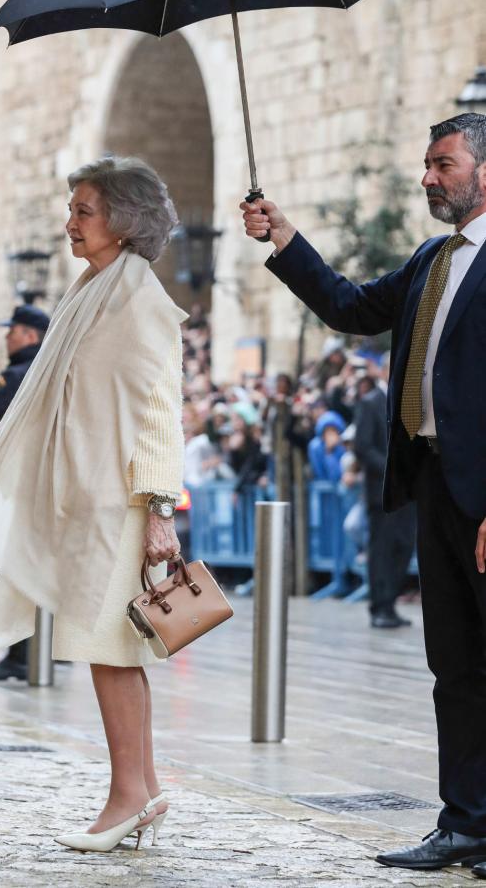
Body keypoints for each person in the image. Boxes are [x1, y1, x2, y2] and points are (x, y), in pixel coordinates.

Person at [241, 112, 486, 873]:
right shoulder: (429, 260)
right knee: (456, 666)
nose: (428, 178)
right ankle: (467, 823)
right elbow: (349, 307)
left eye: (443, 164)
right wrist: (284, 236)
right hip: (436, 486)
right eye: (426, 164)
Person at [0, 156, 185, 853]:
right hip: (93, 497)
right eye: (74, 209)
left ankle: (126, 797)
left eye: (84, 210)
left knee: (108, 650)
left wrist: (160, 509)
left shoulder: (139, 298)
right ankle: (141, 788)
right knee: (116, 651)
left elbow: (157, 410)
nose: (70, 222)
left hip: (121, 503)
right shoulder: (96, 287)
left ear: (124, 220)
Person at [0, 303, 50, 682]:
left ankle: (22, 656)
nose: (7, 337)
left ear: (30, 336)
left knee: (18, 570)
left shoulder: (19, 374)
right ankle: (45, 651)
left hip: (23, 483)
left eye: (12, 330)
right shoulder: (51, 368)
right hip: (46, 482)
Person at [353, 375, 416, 629]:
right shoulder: (371, 402)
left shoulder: (408, 402)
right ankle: (379, 605)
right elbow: (363, 446)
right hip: (381, 492)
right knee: (381, 550)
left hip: (407, 492)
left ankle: (389, 604)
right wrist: (393, 469)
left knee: (403, 546)